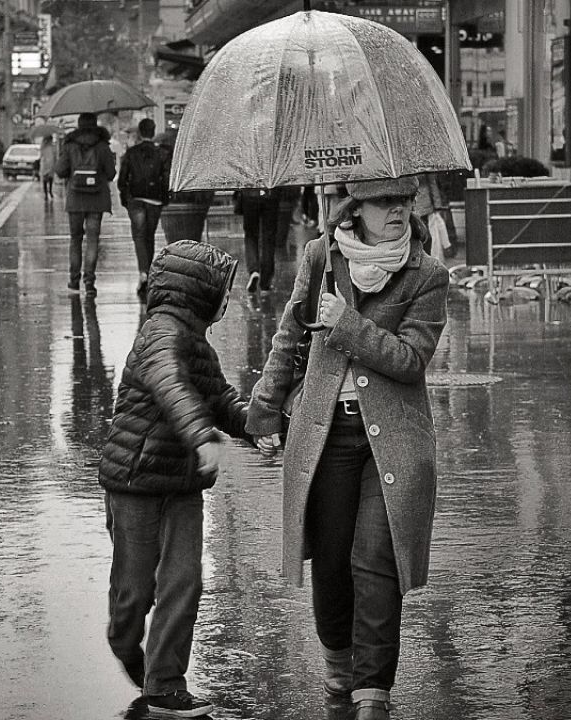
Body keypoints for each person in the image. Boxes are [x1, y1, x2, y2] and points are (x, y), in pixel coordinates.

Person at [245, 177, 449, 720]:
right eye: (387, 204)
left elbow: (411, 360)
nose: (400, 213)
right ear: (355, 209)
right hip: (326, 435)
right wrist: (264, 407)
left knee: (375, 560)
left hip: (395, 444)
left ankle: (372, 693)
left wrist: (349, 324)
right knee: (332, 561)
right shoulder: (321, 257)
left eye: (406, 203)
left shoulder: (427, 274)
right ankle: (339, 662)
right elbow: (290, 336)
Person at [98, 239, 251, 719]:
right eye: (223, 290)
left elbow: (220, 398)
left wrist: (264, 425)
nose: (227, 300)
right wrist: (202, 436)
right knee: (134, 594)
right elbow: (172, 386)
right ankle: (125, 642)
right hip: (136, 482)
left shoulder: (198, 344)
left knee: (184, 582)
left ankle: (164, 684)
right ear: (198, 291)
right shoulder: (160, 335)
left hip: (183, 487)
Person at [55, 112, 116, 298]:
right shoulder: (103, 146)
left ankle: (74, 281)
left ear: (79, 125)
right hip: (96, 199)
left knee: (75, 239)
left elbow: (60, 171)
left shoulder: (70, 145)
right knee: (92, 240)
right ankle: (89, 282)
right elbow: (112, 173)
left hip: (75, 199)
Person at [118, 118, 171, 297]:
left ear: (140, 133)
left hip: (136, 200)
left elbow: (122, 179)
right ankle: (148, 272)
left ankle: (144, 272)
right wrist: (164, 198)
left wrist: (125, 198)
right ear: (153, 131)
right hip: (154, 201)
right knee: (149, 236)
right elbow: (166, 179)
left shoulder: (131, 153)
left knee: (139, 237)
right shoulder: (161, 153)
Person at [235, 187, 281, 293]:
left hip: (249, 194)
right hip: (271, 194)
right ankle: (266, 281)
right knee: (269, 237)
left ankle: (254, 270)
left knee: (251, 235)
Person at [38, 134, 58, 200]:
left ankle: (47, 193)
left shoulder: (44, 147)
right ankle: (49, 192)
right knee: (49, 179)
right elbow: (55, 156)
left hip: (46, 164)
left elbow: (41, 156)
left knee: (46, 179)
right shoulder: (51, 147)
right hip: (49, 164)